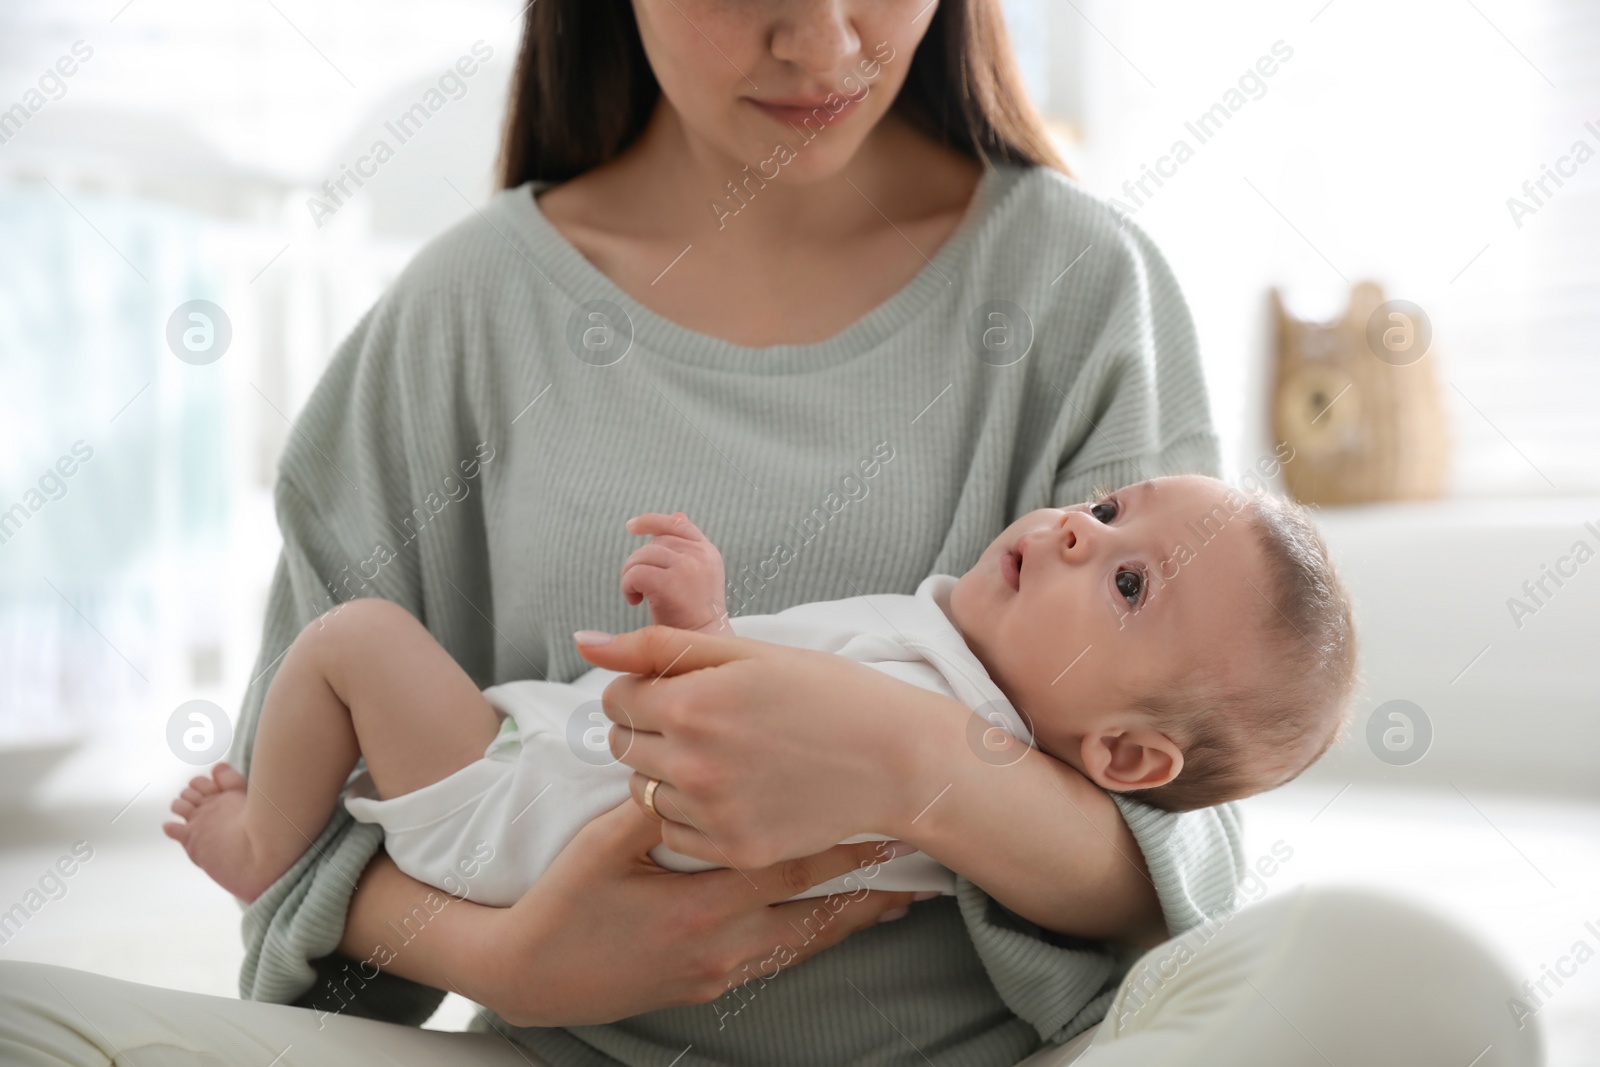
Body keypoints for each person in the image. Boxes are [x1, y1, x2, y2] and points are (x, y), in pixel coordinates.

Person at [0, 1, 1539, 1064]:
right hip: (548, 1049)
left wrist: (913, 762)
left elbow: (1175, 842)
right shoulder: (458, 321)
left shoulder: (1081, 290)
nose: (828, 43)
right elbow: (295, 857)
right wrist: (523, 961)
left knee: (1421, 986)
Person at [163, 475, 1357, 910]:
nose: (1076, 535)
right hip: (532, 766)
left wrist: (698, 632)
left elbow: (750, 757)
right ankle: (302, 816)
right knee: (360, 648)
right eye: (1106, 508)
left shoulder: (978, 740)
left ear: (1129, 755)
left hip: (523, 819)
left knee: (357, 638)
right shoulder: (950, 653)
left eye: (1131, 581)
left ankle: (270, 839)